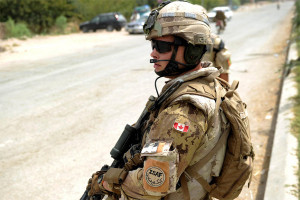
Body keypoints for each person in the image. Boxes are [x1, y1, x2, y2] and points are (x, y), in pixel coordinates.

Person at [86, 1, 230, 199]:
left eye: (162, 46)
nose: (153, 53)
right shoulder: (207, 84)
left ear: (191, 49)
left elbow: (154, 185)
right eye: (154, 45)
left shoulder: (184, 110)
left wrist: (106, 182)